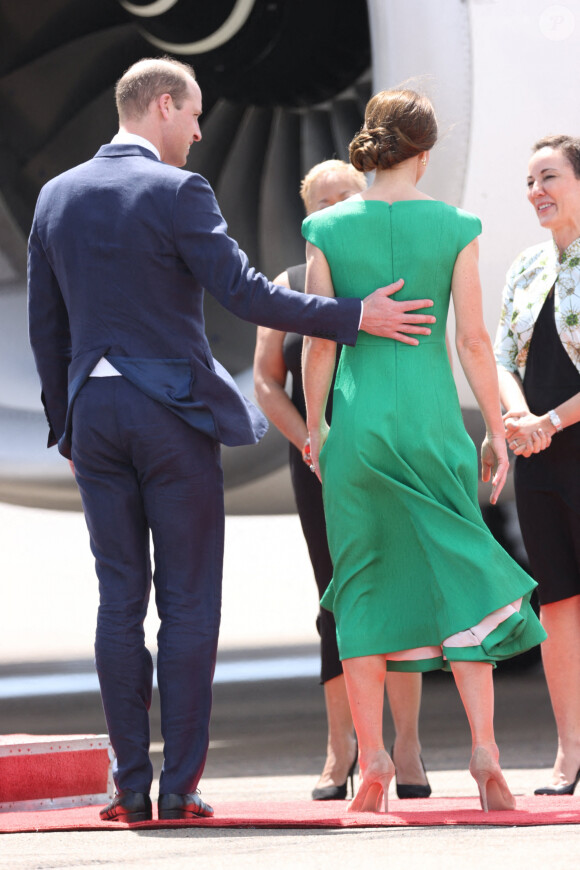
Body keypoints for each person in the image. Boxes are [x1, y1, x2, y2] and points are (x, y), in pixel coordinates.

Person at [27, 58, 439, 824]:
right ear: (160, 106)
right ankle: (179, 786)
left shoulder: (57, 196)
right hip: (172, 417)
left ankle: (128, 786)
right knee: (187, 605)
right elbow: (246, 292)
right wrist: (352, 316)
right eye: (193, 114)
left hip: (95, 416)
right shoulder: (179, 191)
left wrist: (66, 424)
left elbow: (45, 328)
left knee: (118, 601)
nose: (198, 129)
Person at [301, 87, 547, 814]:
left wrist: (315, 426)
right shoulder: (454, 225)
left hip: (357, 423)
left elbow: (319, 339)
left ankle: (373, 758)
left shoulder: (326, 227)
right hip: (433, 424)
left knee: (362, 585)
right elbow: (472, 339)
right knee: (460, 578)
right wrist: (497, 431)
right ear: (425, 151)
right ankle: (483, 751)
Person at [254, 159, 431, 801]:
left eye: (345, 199)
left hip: (391, 454)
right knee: (336, 598)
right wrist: (306, 434)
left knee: (404, 591)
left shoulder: (396, 277)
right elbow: (267, 379)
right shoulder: (293, 284)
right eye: (321, 204)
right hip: (319, 459)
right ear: (308, 217)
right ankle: (342, 748)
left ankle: (407, 749)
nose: (332, 211)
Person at [494, 135, 580, 797]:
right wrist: (519, 418)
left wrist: (548, 422)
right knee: (557, 604)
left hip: (564, 436)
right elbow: (501, 357)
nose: (535, 192)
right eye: (528, 181)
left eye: (547, 176)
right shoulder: (525, 266)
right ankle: (570, 752)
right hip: (541, 459)